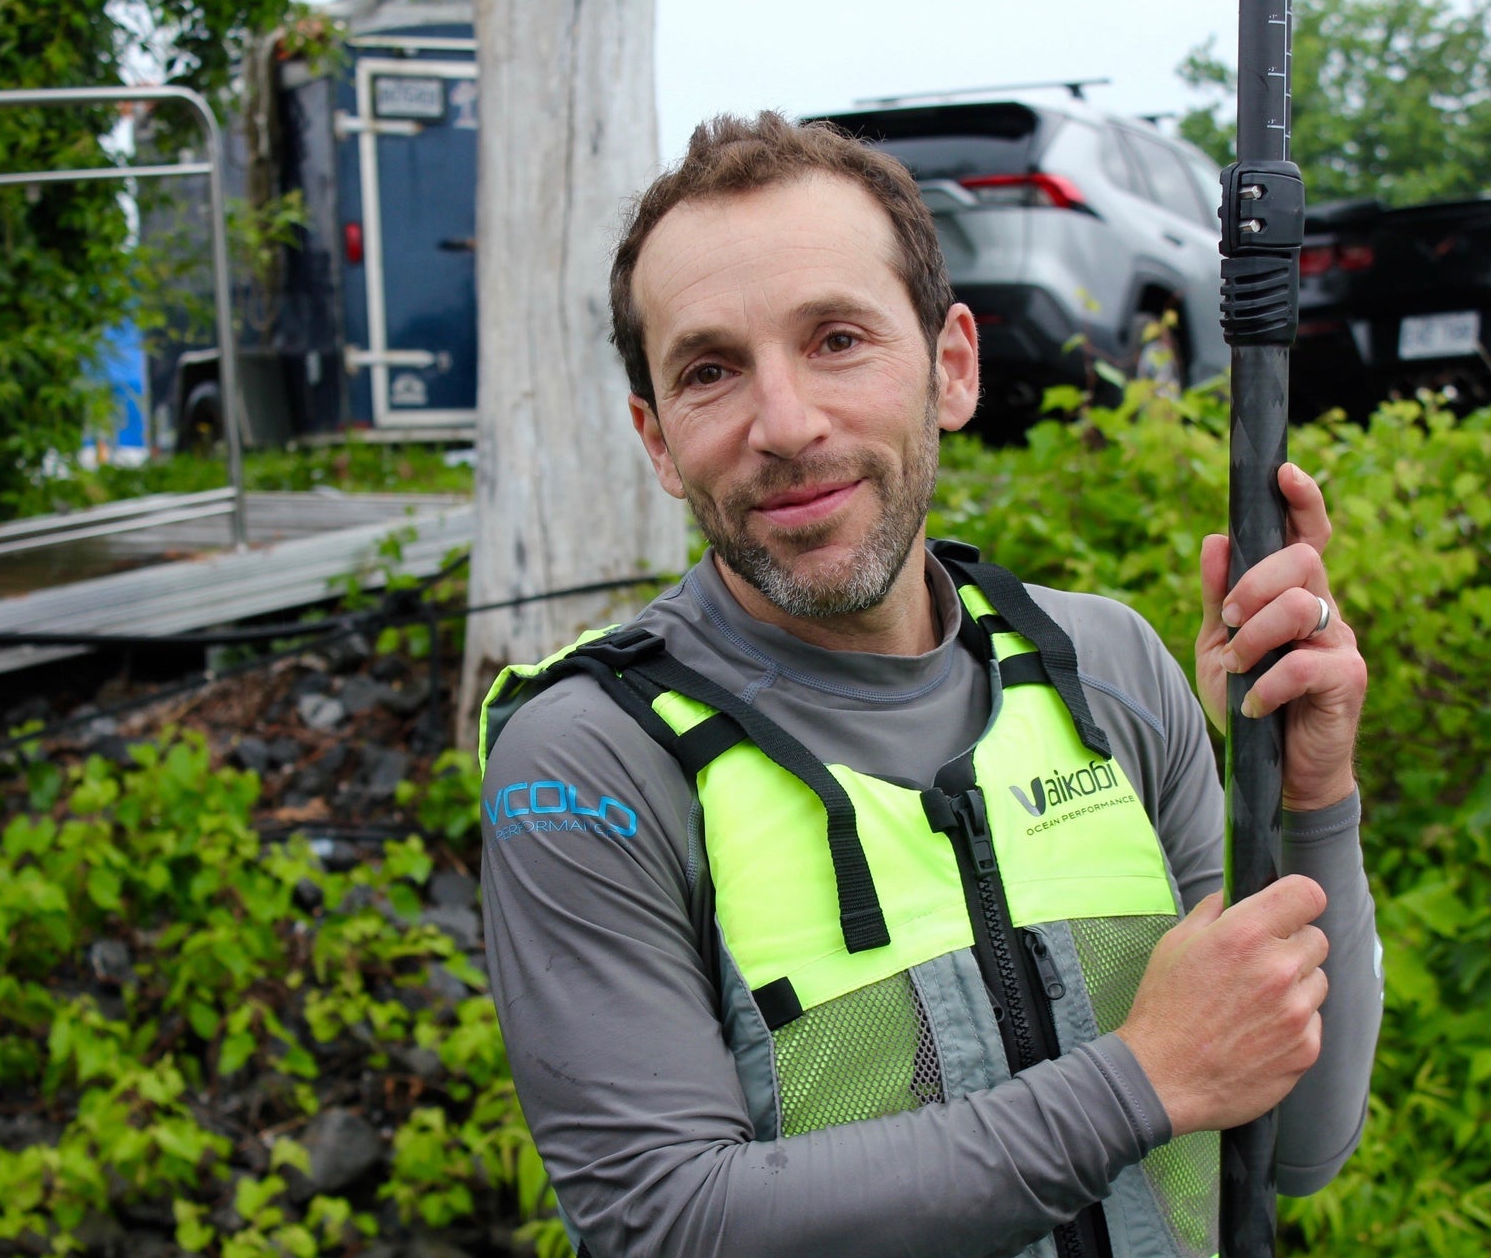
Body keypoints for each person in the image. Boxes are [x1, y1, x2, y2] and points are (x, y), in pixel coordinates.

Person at [477, 112, 1381, 1258]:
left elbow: (1298, 1144)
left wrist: (1312, 798)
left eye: (838, 339)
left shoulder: (1107, 669)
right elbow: (669, 1222)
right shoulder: (590, 761)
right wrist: (1141, 1078)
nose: (787, 423)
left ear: (952, 365)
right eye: (711, 371)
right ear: (658, 440)